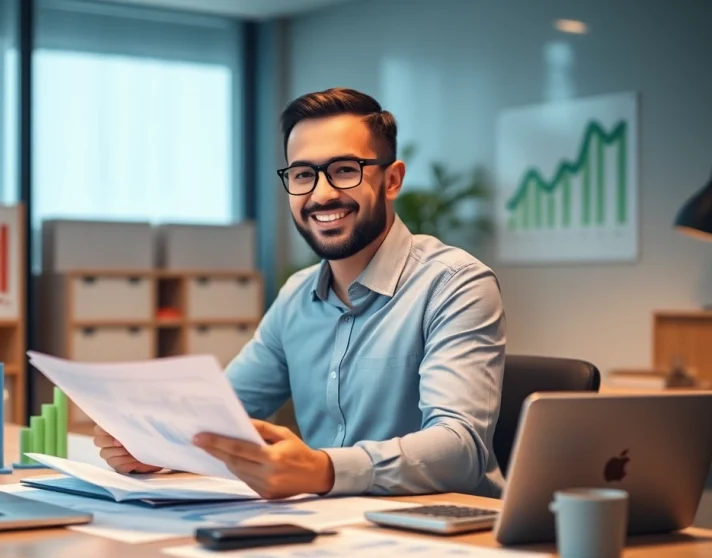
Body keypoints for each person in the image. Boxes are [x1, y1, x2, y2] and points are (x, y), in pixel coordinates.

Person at [94, 87, 506, 500]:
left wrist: (323, 470)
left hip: (450, 531)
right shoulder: (296, 296)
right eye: (303, 175)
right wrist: (156, 445)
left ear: (392, 179)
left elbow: (460, 448)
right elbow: (221, 416)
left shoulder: (455, 284)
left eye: (345, 170)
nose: (321, 194)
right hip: (331, 530)